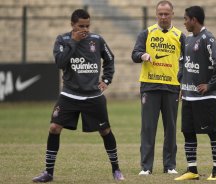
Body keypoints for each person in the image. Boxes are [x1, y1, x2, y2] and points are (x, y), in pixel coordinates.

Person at [32, 9, 125, 182]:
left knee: (105, 130)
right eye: (80, 26)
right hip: (69, 95)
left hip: (93, 96)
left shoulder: (97, 40)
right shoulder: (63, 40)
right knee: (54, 128)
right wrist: (73, 42)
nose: (85, 29)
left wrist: (106, 79)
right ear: (72, 25)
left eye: (87, 26)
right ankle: (48, 173)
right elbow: (60, 62)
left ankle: (116, 170)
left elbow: (110, 59)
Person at [131, 0, 185, 175]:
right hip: (150, 86)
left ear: (172, 15)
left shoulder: (180, 35)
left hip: (172, 87)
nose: (163, 17)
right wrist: (143, 55)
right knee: (148, 127)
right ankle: (146, 167)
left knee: (170, 128)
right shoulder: (146, 33)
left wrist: (184, 84)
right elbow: (134, 54)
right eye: (160, 14)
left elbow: (186, 62)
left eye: (166, 14)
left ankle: (170, 166)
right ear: (156, 14)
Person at [174, 6, 216, 181]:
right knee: (188, 132)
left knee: (212, 132)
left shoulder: (208, 38)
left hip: (206, 98)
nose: (184, 22)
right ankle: (192, 170)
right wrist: (182, 82)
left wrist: (210, 85)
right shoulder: (188, 40)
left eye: (185, 19)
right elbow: (183, 62)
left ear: (194, 20)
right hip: (188, 96)